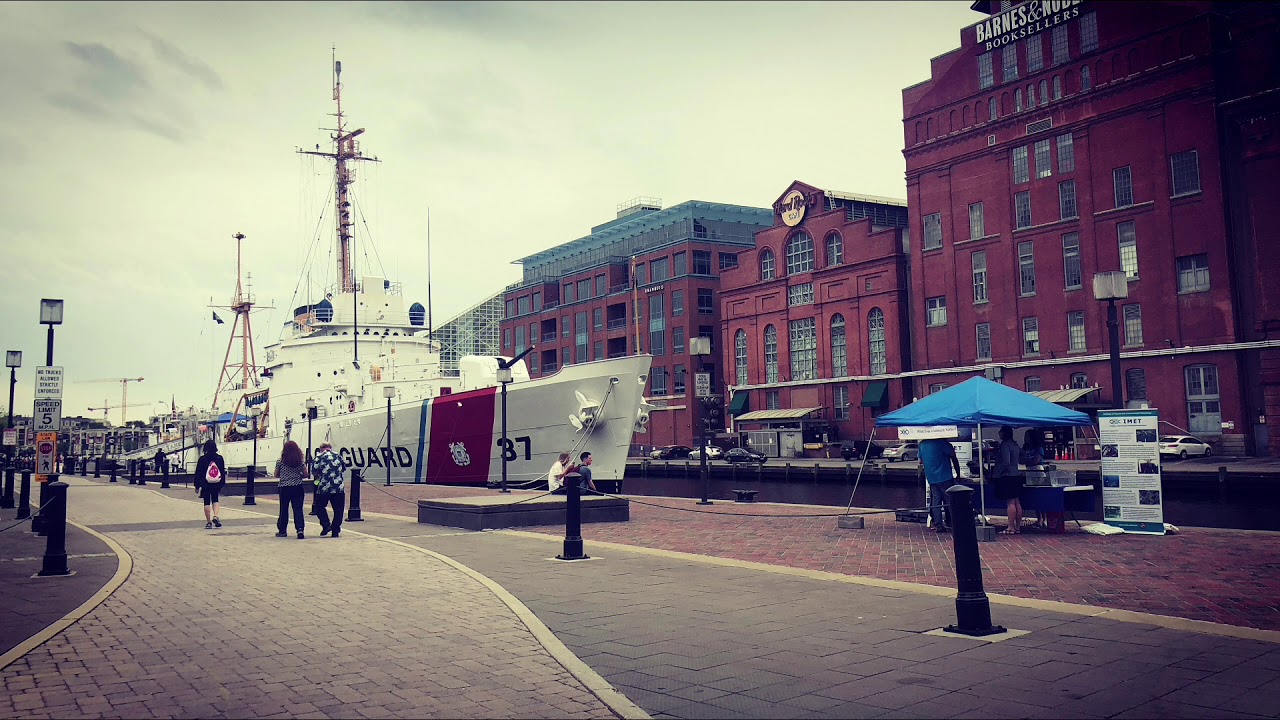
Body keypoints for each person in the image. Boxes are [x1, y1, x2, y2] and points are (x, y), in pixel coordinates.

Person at [919, 438, 961, 533]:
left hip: (931, 477)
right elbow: (953, 457)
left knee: (936, 501)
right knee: (950, 500)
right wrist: (958, 473)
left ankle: (938, 524)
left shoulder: (922, 444)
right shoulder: (942, 442)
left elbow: (921, 459)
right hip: (945, 476)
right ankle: (955, 524)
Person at [274, 440, 310, 539]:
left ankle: (282, 530)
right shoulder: (300, 462)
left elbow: (276, 474)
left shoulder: (280, 462)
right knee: (298, 509)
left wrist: (284, 476)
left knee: (284, 509)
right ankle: (300, 529)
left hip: (284, 488)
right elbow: (306, 474)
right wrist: (299, 475)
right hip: (297, 487)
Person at [311, 442, 347, 538]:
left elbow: (314, 471)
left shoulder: (318, 457)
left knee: (319, 507)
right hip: (338, 487)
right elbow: (343, 468)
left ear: (321, 449)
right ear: (330, 448)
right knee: (338, 510)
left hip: (324, 488)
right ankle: (335, 530)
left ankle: (326, 525)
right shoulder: (338, 455)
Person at [994, 426, 1024, 534]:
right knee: (1017, 501)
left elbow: (1006, 462)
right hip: (1016, 474)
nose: (999, 433)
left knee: (1010, 502)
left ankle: (1010, 526)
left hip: (1007, 475)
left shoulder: (1005, 445)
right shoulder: (1015, 444)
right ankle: (1018, 526)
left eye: (1000, 432)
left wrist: (997, 472)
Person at [192, 440, 227, 530]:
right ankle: (215, 516)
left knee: (206, 501)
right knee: (215, 499)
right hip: (216, 483)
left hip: (206, 484)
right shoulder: (220, 458)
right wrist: (222, 482)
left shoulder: (202, 459)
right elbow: (222, 471)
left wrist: (197, 485)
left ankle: (208, 522)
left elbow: (198, 473)